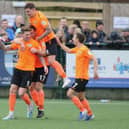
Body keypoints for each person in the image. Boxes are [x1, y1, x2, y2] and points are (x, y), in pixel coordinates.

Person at [0, 26, 47, 120]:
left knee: (21, 93)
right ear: (23, 34)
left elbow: (41, 55)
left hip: (28, 71)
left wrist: (45, 65)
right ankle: (11, 113)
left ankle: (30, 105)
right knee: (12, 89)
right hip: (18, 69)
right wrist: (1, 43)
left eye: (29, 34)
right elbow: (5, 48)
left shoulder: (34, 43)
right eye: (26, 34)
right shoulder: (19, 42)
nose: (28, 36)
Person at [24, 3, 70, 87]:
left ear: (33, 9)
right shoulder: (31, 18)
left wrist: (39, 38)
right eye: (26, 12)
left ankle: (65, 77)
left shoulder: (41, 17)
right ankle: (60, 72)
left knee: (51, 61)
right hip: (42, 42)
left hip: (49, 41)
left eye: (28, 11)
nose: (27, 13)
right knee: (46, 61)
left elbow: (49, 30)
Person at [57, 32, 99, 121]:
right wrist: (60, 43)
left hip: (82, 78)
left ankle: (83, 110)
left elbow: (94, 59)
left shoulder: (84, 49)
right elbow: (68, 50)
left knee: (69, 93)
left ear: (78, 39)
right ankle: (90, 114)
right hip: (80, 77)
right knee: (81, 97)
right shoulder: (78, 48)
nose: (72, 39)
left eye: (74, 37)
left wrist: (95, 71)